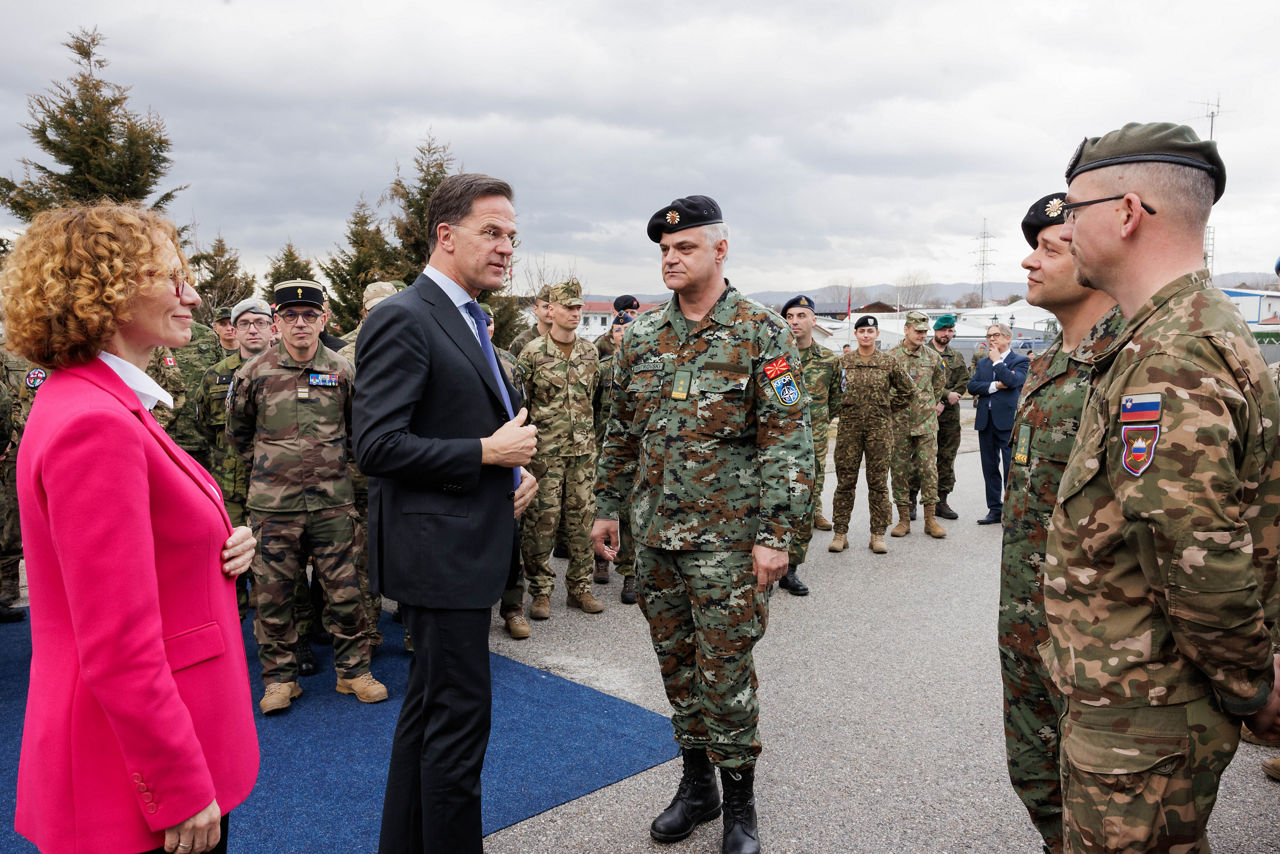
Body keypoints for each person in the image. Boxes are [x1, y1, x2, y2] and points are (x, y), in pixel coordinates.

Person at [1044, 122, 1280, 852]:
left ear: (1125, 212)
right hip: (1139, 706)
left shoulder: (1174, 352)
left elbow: (1198, 555)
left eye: (1073, 208)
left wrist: (1252, 690)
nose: (1065, 225)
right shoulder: (1165, 332)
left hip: (1144, 717)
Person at [2, 204, 259, 854]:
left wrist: (217, 547)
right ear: (108, 292)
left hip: (136, 743)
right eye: (170, 279)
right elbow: (115, 641)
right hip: (132, 770)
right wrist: (175, 784)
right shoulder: (97, 423)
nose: (192, 296)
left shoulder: (92, 401)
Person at [593, 194, 812, 854]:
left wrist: (779, 535)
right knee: (677, 667)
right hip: (657, 536)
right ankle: (697, 788)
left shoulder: (760, 332)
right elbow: (623, 430)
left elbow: (789, 438)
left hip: (728, 540)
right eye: (663, 249)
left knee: (725, 672)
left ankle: (740, 802)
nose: (670, 257)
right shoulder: (640, 337)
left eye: (684, 247)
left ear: (720, 250)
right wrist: (606, 505)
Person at [353, 173, 538, 854]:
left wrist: (514, 471)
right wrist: (486, 455)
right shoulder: (406, 315)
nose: (505, 247)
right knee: (458, 729)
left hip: (464, 546)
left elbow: (465, 420)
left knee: (430, 716)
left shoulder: (466, 317)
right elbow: (374, 445)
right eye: (491, 232)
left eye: (511, 236)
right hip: (440, 559)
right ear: (446, 235)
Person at [998, 192, 1124, 852]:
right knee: (1040, 782)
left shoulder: (1131, 367)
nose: (1028, 260)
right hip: (1029, 630)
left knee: (1112, 819)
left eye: (1049, 248)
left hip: (1103, 657)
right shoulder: (1047, 363)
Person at [228, 280, 387, 713]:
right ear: (277, 321)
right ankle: (280, 680)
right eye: (291, 315)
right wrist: (272, 469)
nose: (301, 323)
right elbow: (239, 435)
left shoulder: (341, 370)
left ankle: (353, 672)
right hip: (273, 508)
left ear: (324, 319)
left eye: (309, 315)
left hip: (332, 504)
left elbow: (359, 433)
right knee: (272, 596)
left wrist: (333, 471)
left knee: (346, 592)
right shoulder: (254, 373)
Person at [516, 277, 604, 618]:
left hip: (582, 455)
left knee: (582, 525)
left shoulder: (590, 352)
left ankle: (579, 589)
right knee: (541, 526)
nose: (576, 313)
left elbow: (594, 399)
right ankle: (540, 592)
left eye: (579, 307)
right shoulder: (532, 354)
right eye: (569, 307)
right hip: (545, 456)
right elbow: (521, 406)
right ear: (550, 310)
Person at [196, 297, 273, 621]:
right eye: (244, 323)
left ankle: (283, 631)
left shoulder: (287, 372)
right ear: (234, 330)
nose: (252, 330)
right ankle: (230, 618)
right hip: (229, 484)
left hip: (271, 482)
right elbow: (203, 424)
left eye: (259, 323)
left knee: (274, 560)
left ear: (272, 329)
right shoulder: (214, 376)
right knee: (227, 556)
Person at [829, 315, 912, 554]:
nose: (866, 335)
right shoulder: (842, 362)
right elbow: (833, 394)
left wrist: (886, 408)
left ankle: (877, 534)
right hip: (849, 431)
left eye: (870, 331)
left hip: (879, 431)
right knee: (845, 482)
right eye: (862, 330)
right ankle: (840, 533)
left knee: (878, 484)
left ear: (877, 335)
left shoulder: (889, 362)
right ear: (855, 334)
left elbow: (908, 391)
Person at [780, 294, 841, 595]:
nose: (794, 322)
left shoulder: (830, 361)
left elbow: (836, 402)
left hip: (812, 447)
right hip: (776, 445)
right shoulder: (776, 360)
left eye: (801, 316)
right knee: (773, 506)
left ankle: (791, 569)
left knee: (804, 508)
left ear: (814, 320)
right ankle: (769, 565)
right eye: (790, 316)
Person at [591, 312, 638, 605]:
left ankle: (630, 571)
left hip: (635, 451)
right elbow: (591, 407)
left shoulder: (645, 368)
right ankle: (601, 559)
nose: (622, 334)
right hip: (604, 448)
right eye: (618, 329)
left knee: (630, 511)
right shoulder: (604, 368)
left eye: (628, 329)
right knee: (604, 505)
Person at [888, 310, 947, 538]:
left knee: (928, 470)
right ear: (906, 329)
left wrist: (925, 406)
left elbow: (938, 386)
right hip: (899, 424)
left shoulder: (933, 358)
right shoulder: (891, 357)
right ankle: (903, 519)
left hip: (926, 424)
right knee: (900, 471)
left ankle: (930, 519)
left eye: (925, 332)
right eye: (918, 331)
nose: (922, 335)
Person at [968, 323, 1029, 525]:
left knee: (1011, 467)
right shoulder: (983, 363)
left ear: (1008, 338)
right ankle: (994, 509)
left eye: (996, 335)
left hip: (1008, 422)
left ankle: (1012, 509)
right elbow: (972, 386)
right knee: (990, 467)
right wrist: (994, 385)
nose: (991, 339)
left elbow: (1013, 383)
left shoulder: (1019, 361)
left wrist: (997, 363)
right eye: (988, 336)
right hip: (986, 421)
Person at [927, 314, 969, 519]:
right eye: (943, 330)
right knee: (920, 458)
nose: (946, 334)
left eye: (950, 331)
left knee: (946, 458)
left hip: (949, 417)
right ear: (935, 331)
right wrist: (943, 395)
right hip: (926, 414)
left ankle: (941, 501)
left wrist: (944, 401)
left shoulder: (956, 356)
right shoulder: (923, 353)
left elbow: (964, 380)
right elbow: (921, 382)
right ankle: (911, 502)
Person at [509, 283, 553, 357]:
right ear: (535, 309)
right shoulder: (521, 342)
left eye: (553, 308)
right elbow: (509, 367)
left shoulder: (564, 340)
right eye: (546, 307)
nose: (550, 311)